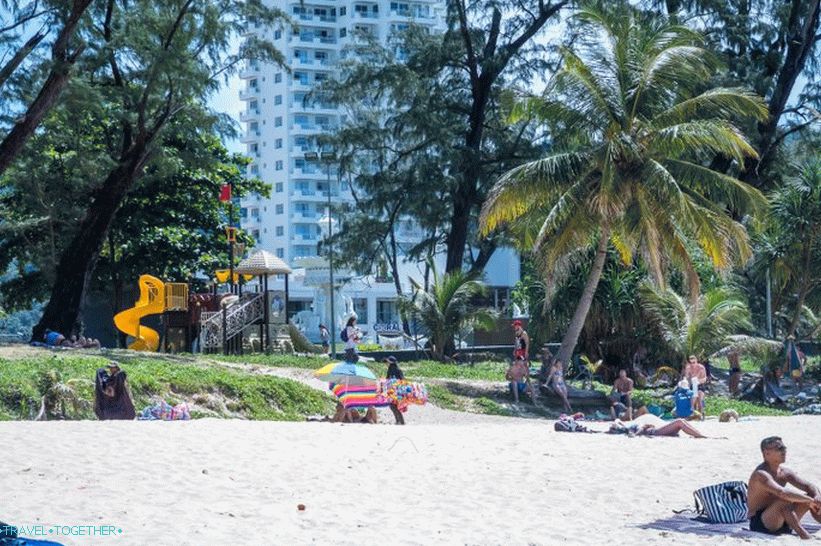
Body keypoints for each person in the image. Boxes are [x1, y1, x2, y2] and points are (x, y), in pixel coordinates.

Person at [746, 436, 821, 539]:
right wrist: (810, 500)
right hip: (762, 522)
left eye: (784, 448)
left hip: (784, 518)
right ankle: (804, 535)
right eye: (780, 449)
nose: (784, 451)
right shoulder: (761, 474)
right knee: (784, 501)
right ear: (766, 453)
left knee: (814, 494)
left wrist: (816, 497)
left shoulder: (784, 472)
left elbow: (809, 486)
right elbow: (782, 492)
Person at [611, 413, 707, 438]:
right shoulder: (631, 428)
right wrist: (637, 434)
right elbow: (641, 429)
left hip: (656, 430)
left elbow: (617, 420)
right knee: (679, 422)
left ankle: (698, 434)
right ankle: (699, 435)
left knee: (681, 421)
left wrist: (617, 423)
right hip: (656, 432)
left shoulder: (628, 425)